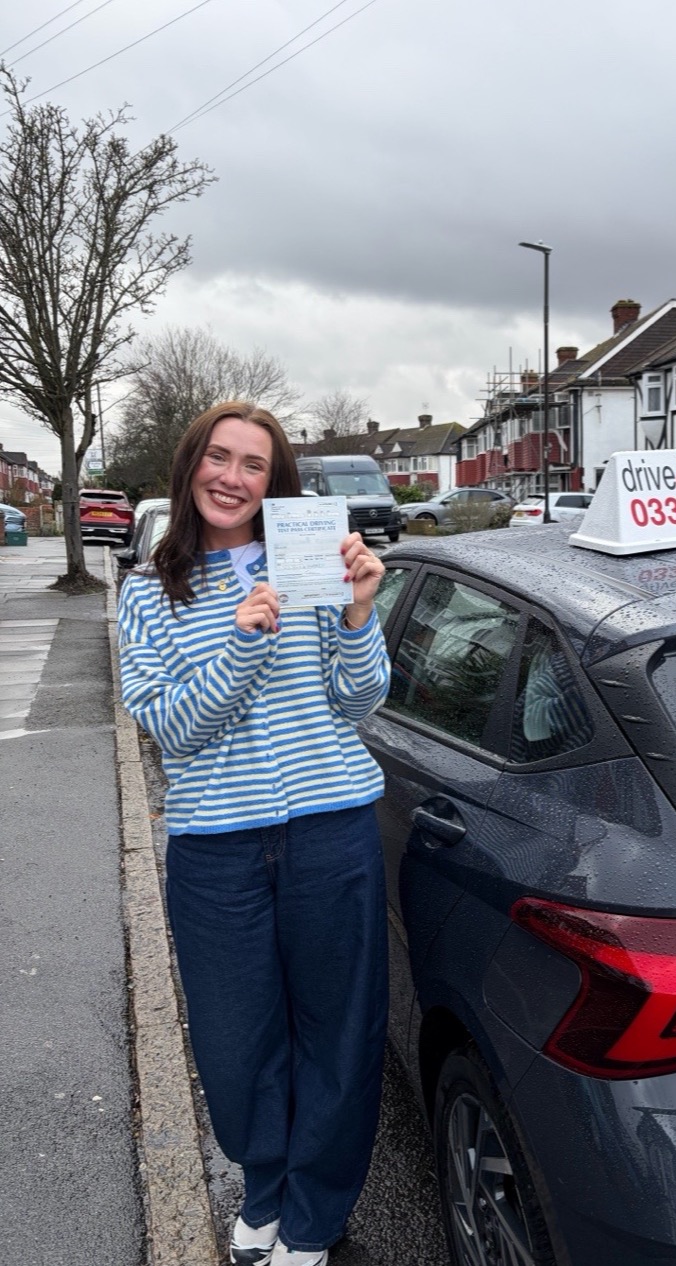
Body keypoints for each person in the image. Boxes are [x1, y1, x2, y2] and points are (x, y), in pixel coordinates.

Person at [117, 401, 390, 1266]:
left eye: (254, 465)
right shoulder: (147, 592)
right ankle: (265, 1184)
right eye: (219, 458)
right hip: (215, 848)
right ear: (191, 464)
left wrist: (356, 611)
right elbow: (171, 726)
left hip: (329, 829)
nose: (232, 478)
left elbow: (359, 701)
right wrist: (239, 644)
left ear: (275, 483)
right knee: (237, 1047)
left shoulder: (307, 561)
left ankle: (312, 1213)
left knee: (337, 1035)